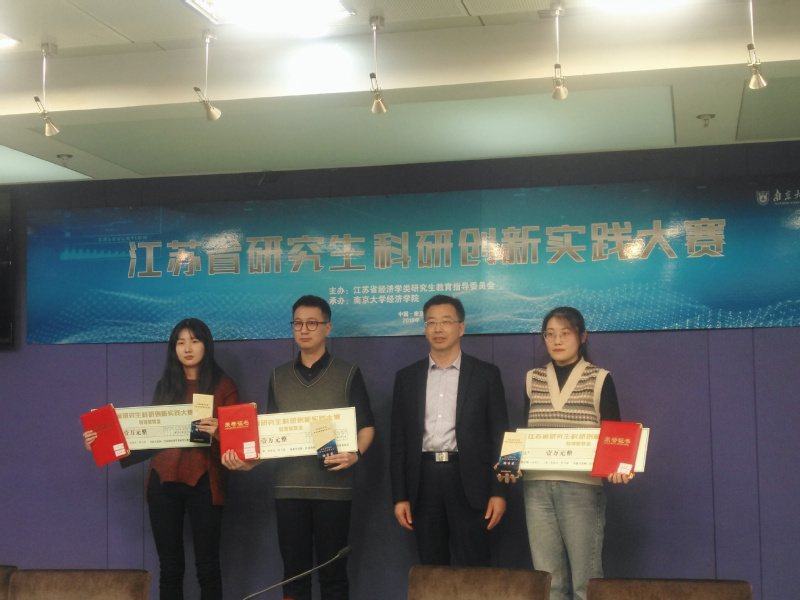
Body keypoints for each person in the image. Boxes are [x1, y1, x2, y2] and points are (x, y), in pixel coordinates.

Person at [222, 295, 374, 600]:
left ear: (327, 327)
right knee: (294, 575)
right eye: (298, 323)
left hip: (333, 489)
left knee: (333, 573)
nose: (304, 330)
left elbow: (367, 426)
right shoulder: (278, 376)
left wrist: (355, 454)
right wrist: (249, 462)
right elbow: (272, 436)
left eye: (312, 323)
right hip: (289, 489)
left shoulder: (348, 372)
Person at [83, 318, 239, 600]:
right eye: (181, 342)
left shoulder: (224, 386)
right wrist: (102, 443)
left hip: (205, 482)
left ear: (206, 345)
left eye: (194, 341)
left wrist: (219, 432)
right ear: (173, 349)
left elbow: (239, 442)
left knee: (207, 567)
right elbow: (149, 439)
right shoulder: (166, 386)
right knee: (170, 568)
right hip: (163, 481)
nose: (187, 348)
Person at [506, 306, 631, 600]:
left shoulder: (599, 378)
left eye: (565, 333)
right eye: (549, 334)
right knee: (548, 582)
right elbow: (524, 431)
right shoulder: (533, 378)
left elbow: (615, 433)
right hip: (536, 489)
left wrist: (620, 467)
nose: (557, 340)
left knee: (586, 583)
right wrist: (510, 463)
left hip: (581, 488)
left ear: (582, 337)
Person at [390, 294, 509, 566]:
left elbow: (503, 436)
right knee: (432, 570)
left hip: (471, 482)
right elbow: (398, 443)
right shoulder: (407, 377)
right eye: (431, 322)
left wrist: (500, 492)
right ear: (425, 329)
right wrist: (400, 496)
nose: (438, 329)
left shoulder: (486, 374)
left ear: (461, 328)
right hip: (423, 482)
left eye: (446, 321)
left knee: (475, 569)